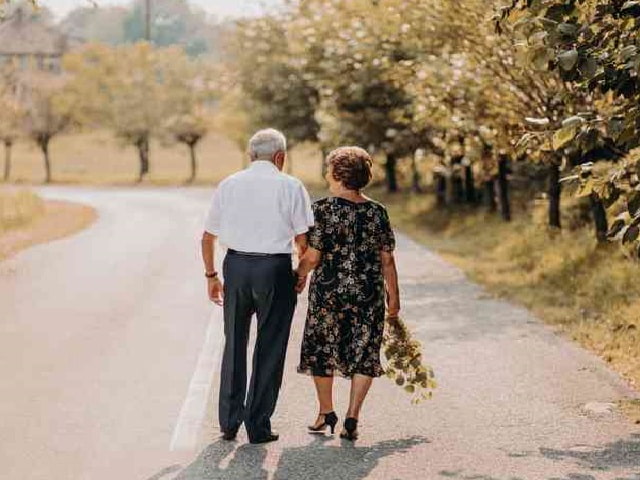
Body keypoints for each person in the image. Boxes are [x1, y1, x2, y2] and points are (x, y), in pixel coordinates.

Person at [201, 129, 314, 444]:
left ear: (251, 156)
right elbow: (303, 239)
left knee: (234, 342)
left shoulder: (229, 184)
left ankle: (229, 421)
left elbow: (207, 236)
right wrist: (301, 272)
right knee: (270, 347)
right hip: (274, 269)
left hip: (236, 267)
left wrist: (211, 276)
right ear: (280, 157)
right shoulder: (291, 186)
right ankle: (258, 426)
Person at [295, 146, 401, 441]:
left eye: (329, 168)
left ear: (338, 174)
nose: (326, 172)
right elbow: (387, 259)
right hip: (368, 293)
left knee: (321, 350)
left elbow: (313, 257)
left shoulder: (323, 209)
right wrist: (395, 298)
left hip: (329, 293)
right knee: (365, 352)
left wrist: (296, 276)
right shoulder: (378, 212)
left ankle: (326, 412)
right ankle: (352, 416)